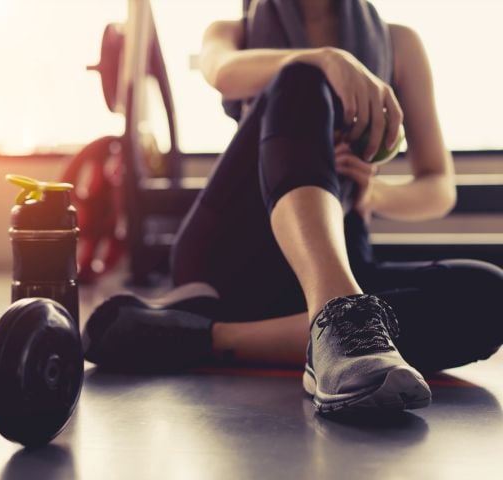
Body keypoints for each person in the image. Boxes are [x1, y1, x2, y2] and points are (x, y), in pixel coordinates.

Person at [82, 0, 503, 414]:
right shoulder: (232, 31)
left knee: (490, 296)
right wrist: (326, 60)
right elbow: (223, 72)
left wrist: (373, 195)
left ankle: (209, 336)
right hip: (233, 253)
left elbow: (439, 186)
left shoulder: (400, 43)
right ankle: (339, 323)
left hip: (339, 256)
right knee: (302, 76)